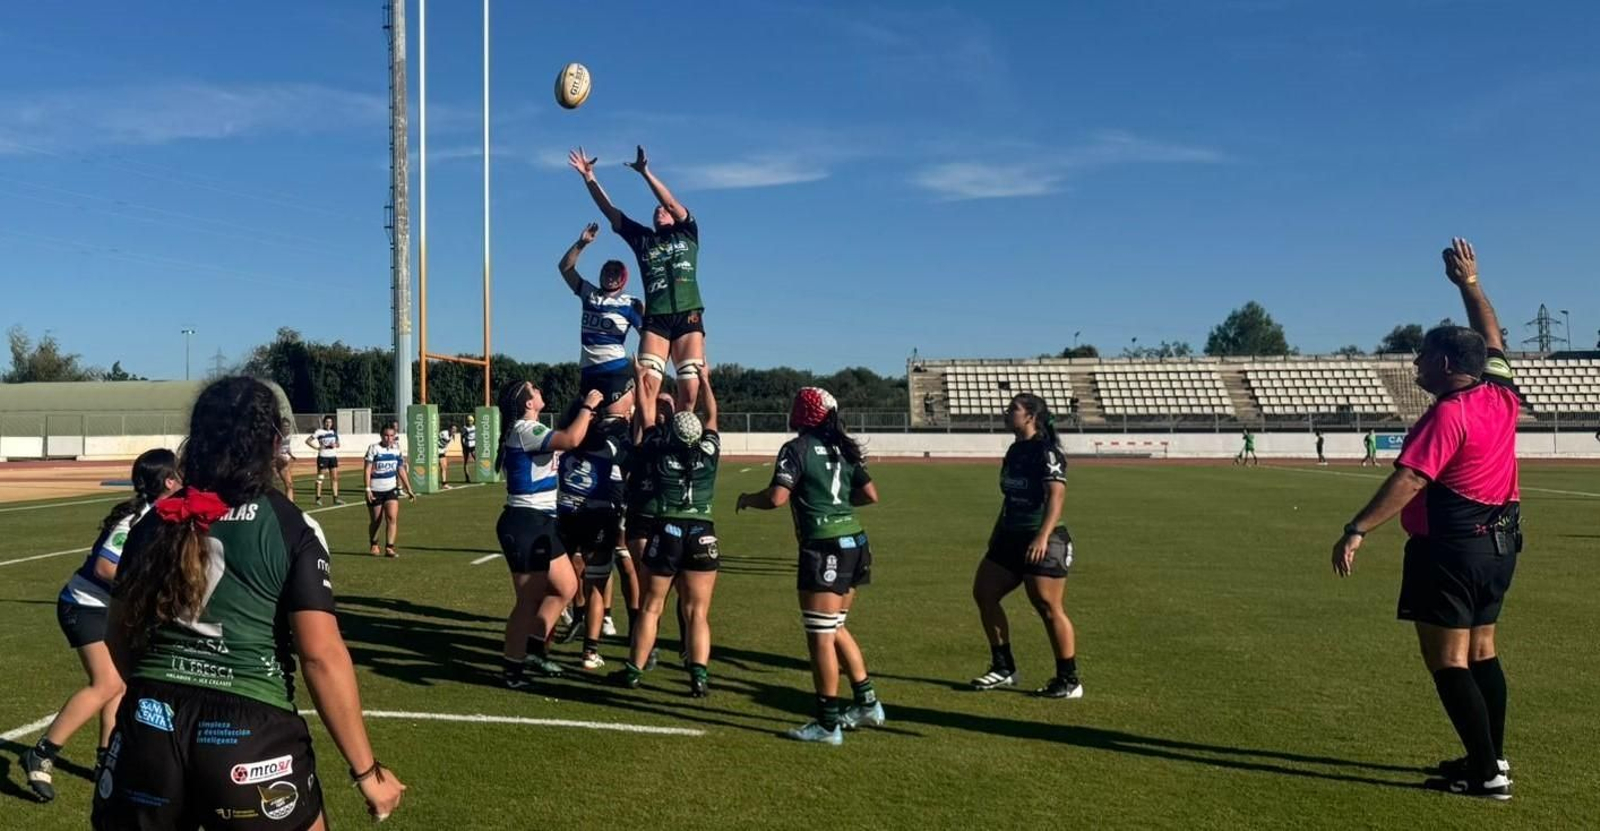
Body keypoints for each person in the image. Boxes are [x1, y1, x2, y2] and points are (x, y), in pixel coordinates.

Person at [91, 376, 405, 829]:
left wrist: (155, 697)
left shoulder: (153, 520)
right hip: (249, 736)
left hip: (150, 724)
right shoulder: (288, 524)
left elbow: (118, 634)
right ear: (273, 440)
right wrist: (366, 772)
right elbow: (321, 656)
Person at [1330, 238, 1520, 800]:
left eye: (1420, 355)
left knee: (1447, 659)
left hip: (1451, 546)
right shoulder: (1500, 393)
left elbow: (1411, 479)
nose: (1414, 364)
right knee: (1483, 650)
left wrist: (1357, 528)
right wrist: (1470, 285)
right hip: (1500, 544)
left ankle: (1484, 776)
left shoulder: (1449, 414)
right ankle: (1493, 759)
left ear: (1442, 364)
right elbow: (1493, 337)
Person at [22, 449, 180, 804]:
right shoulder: (138, 519)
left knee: (120, 685)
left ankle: (107, 761)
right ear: (169, 481)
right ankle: (43, 752)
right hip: (84, 605)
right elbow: (105, 568)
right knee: (106, 682)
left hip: (108, 609)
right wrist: (143, 595)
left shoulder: (162, 516)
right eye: (179, 474)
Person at [737, 388, 884, 745]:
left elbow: (777, 497)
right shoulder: (844, 447)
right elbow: (870, 494)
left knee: (820, 636)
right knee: (836, 628)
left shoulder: (796, 448)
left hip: (824, 547)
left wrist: (747, 500)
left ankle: (827, 723)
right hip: (855, 541)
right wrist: (834, 506)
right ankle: (867, 702)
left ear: (802, 413)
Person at [569, 145, 708, 413]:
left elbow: (669, 202)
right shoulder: (644, 239)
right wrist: (589, 178)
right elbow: (611, 212)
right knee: (646, 388)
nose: (660, 211)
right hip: (657, 318)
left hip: (688, 315)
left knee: (689, 393)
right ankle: (646, 444)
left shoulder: (688, 232)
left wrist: (645, 172)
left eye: (664, 210)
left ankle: (681, 441)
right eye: (655, 211)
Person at [611, 371, 720, 697]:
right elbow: (713, 415)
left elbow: (646, 418)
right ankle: (698, 676)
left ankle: (633, 672)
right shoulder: (710, 453)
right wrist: (705, 381)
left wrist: (643, 380)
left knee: (651, 606)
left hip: (667, 528)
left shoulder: (659, 449)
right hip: (703, 530)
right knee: (697, 612)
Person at [970, 393, 1082, 699]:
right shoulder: (1015, 450)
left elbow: (1056, 496)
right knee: (984, 593)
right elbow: (1009, 498)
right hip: (1010, 536)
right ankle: (1004, 667)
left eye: (1013, 410)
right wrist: (996, 532)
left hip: (1044, 536)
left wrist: (1042, 536)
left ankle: (1069, 679)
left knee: (1047, 606)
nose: (1007, 414)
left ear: (1031, 416)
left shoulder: (1046, 451)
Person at [494, 381, 605, 688]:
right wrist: (588, 405)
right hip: (525, 520)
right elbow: (570, 439)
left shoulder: (532, 429)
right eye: (534, 388)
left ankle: (532, 650)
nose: (540, 390)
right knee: (528, 601)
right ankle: (512, 670)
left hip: (541, 521)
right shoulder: (523, 429)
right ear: (527, 403)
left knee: (566, 587)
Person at [555, 400, 635, 670]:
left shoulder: (563, 444)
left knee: (557, 583)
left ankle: (539, 645)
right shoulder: (607, 445)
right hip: (598, 516)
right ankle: (590, 651)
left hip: (567, 515)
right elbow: (626, 453)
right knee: (597, 584)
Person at [559, 222, 645, 418]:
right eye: (607, 271)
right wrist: (581, 244)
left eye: (616, 273)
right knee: (581, 426)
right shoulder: (589, 293)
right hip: (588, 372)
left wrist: (645, 367)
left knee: (613, 425)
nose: (610, 276)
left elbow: (647, 336)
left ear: (623, 278)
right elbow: (565, 269)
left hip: (615, 371)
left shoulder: (631, 303)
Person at [364, 424, 416, 557]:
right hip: (376, 489)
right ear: (381, 436)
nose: (389, 438)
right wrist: (368, 488)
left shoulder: (396, 449)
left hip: (390, 489)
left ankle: (389, 547)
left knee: (392, 518)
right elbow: (367, 469)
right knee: (376, 520)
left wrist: (408, 488)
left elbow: (401, 469)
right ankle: (374, 544)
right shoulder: (374, 449)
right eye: (386, 435)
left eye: (392, 436)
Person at [306, 415, 344, 506]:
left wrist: (335, 445)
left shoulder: (334, 432)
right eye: (327, 422)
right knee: (320, 478)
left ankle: (336, 498)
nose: (328, 424)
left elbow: (338, 444)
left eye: (330, 422)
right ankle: (318, 498)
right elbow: (308, 441)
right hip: (323, 457)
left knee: (334, 478)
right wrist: (317, 448)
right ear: (324, 423)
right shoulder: (319, 432)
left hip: (333, 457)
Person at [272, 419, 297, 500]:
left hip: (283, 462)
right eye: (285, 426)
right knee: (275, 485)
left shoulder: (289, 436)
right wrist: (279, 456)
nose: (287, 428)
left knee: (289, 484)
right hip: (274, 462)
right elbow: (273, 451)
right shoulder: (276, 437)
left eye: (288, 426)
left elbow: (287, 447)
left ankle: (290, 505)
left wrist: (291, 454)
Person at [437, 424, 457, 488]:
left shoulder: (452, 436)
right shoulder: (444, 433)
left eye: (455, 429)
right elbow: (435, 438)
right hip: (435, 451)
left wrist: (445, 450)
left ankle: (444, 483)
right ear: (450, 429)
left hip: (441, 451)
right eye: (453, 429)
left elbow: (446, 444)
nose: (454, 430)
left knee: (444, 467)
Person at [462, 414, 478, 483]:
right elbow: (462, 437)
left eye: (471, 421)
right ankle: (467, 477)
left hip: (473, 446)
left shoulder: (475, 428)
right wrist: (463, 445)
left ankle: (481, 475)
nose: (469, 422)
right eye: (468, 421)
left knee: (477, 460)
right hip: (467, 446)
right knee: (466, 462)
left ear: (473, 421)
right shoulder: (465, 428)